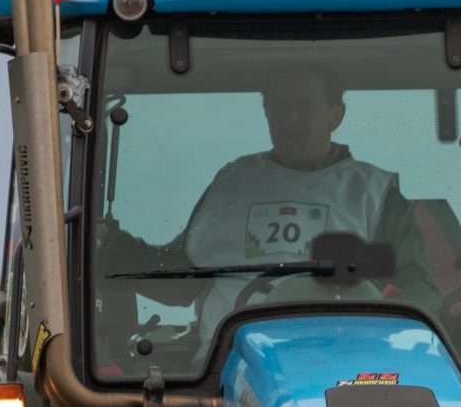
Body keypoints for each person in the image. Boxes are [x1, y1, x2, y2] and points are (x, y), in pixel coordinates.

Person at [100, 66, 439, 325]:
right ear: (266, 113)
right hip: (224, 370)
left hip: (340, 364)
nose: (292, 118)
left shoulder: (373, 193)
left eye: (305, 105)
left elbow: (415, 288)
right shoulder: (233, 182)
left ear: (336, 114)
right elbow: (179, 279)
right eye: (281, 106)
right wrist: (108, 244)